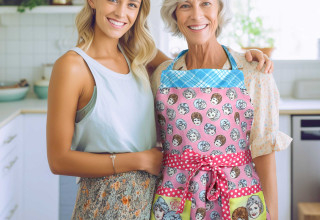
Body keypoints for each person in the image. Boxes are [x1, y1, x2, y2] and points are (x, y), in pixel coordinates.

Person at [46, 0, 276, 219]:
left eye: (132, 4)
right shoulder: (74, 66)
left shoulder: (139, 57)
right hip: (112, 202)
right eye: (114, 0)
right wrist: (141, 160)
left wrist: (243, 60)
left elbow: (191, 76)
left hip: (157, 200)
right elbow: (58, 160)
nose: (121, 12)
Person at [150, 0, 292, 219]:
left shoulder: (254, 72)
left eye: (206, 3)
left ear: (219, 9)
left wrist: (272, 215)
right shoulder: (162, 75)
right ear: (174, 14)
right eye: (185, 6)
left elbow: (264, 151)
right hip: (175, 200)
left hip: (238, 197)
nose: (197, 15)